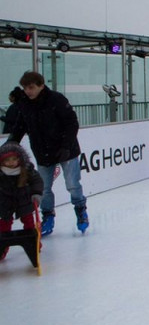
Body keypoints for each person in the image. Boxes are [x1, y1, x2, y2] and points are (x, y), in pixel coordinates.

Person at [6, 71, 89, 236]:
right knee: (43, 188)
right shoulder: (25, 104)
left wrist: (66, 146)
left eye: (31, 87)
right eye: (25, 88)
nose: (28, 91)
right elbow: (20, 126)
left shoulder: (56, 99)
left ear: (41, 86)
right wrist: (10, 144)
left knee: (72, 184)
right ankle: (48, 215)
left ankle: (80, 210)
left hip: (66, 150)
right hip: (43, 152)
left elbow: (72, 123)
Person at [0, 142, 43, 240]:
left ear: (19, 159)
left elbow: (37, 181)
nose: (11, 162)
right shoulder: (1, 172)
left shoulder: (27, 169)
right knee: (4, 224)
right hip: (5, 203)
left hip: (24, 200)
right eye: (7, 160)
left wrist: (36, 193)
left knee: (29, 222)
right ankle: (3, 246)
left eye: (14, 159)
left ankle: (33, 241)